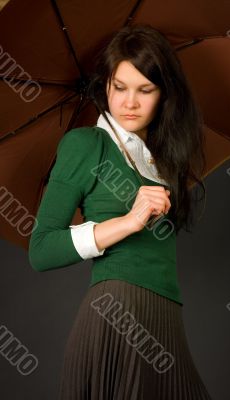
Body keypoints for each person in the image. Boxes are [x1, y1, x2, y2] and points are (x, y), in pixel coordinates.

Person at [28, 24, 211, 400]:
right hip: (117, 315)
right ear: (105, 86)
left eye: (145, 90)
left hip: (166, 316)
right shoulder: (86, 144)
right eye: (119, 87)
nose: (130, 102)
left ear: (164, 95)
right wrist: (128, 222)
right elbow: (41, 249)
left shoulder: (162, 161)